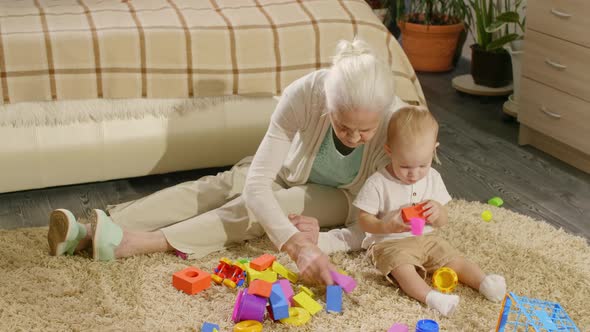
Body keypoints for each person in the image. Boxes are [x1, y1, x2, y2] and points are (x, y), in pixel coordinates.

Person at [47, 39, 403, 285]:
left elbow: (383, 221)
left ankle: (137, 242)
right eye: (342, 125)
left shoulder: (399, 124)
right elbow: (256, 183)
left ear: (383, 115)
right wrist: (294, 243)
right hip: (290, 170)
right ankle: (98, 228)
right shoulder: (305, 94)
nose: (353, 138)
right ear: (327, 102)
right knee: (223, 184)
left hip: (339, 196)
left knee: (265, 207)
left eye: (365, 131)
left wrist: (316, 242)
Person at [352, 106, 506, 316]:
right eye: (405, 166)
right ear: (390, 151)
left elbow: (442, 221)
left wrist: (438, 212)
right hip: (389, 242)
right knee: (402, 268)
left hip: (427, 238)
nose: (414, 174)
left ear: (434, 149)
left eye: (423, 165)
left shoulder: (432, 177)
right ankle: (432, 298)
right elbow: (363, 220)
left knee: (453, 258)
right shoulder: (378, 183)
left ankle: (484, 282)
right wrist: (385, 225)